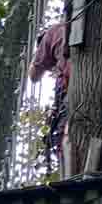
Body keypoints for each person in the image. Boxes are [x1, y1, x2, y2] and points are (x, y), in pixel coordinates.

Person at [29, 23, 69, 172]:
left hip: (70, 89)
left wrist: (37, 56)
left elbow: (34, 75)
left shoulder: (52, 32)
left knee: (64, 136)